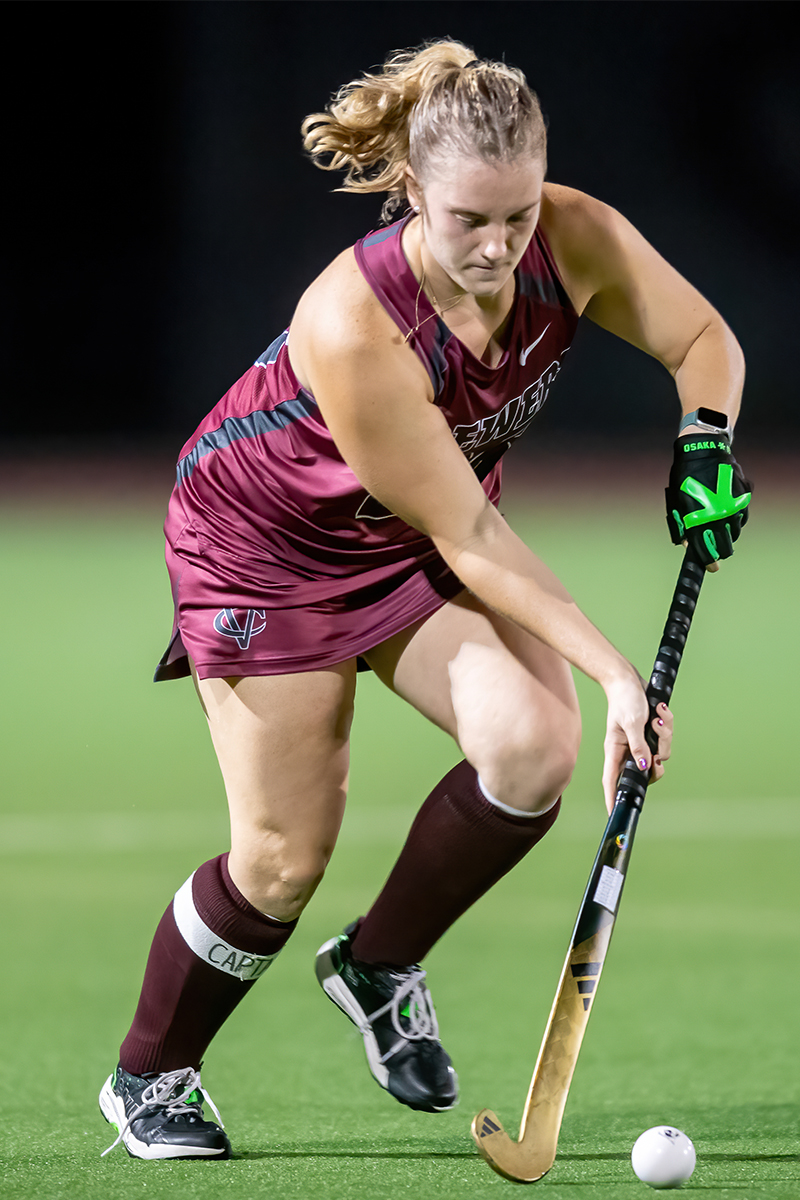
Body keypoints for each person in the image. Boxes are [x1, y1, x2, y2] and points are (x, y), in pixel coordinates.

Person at [98, 40, 750, 1160]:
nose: (498, 247)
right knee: (281, 859)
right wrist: (613, 678)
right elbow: (472, 535)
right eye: (467, 221)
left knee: (531, 750)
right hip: (266, 549)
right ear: (411, 189)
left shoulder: (569, 235)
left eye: (516, 216)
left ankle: (378, 963)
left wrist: (703, 446)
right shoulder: (353, 325)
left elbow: (700, 339)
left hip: (408, 534)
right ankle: (149, 1074)